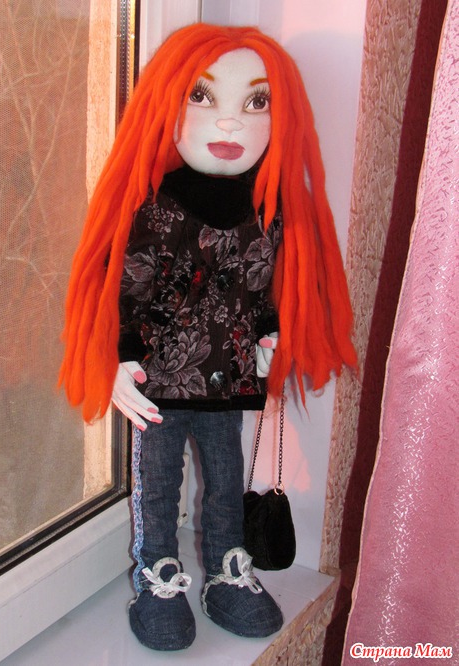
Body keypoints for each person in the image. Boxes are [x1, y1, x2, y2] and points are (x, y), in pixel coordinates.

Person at [59, 23, 356, 651]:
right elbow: (126, 287)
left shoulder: (268, 211)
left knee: (224, 482)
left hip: (226, 382)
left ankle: (226, 570)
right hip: (157, 384)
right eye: (202, 96)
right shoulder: (152, 206)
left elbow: (262, 287)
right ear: (165, 106)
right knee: (158, 486)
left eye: (256, 102)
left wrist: (272, 335)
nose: (229, 122)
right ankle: (158, 576)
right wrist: (116, 358)